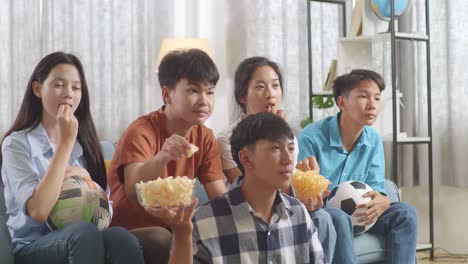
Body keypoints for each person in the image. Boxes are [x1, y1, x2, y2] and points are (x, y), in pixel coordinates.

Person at [0, 52, 144, 264]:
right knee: (84, 233)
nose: (68, 94)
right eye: (59, 85)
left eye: (76, 88)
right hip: (31, 247)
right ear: (37, 89)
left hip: (83, 236)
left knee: (120, 237)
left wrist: (83, 175)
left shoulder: (85, 145)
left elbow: (105, 213)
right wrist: (65, 143)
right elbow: (38, 211)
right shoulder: (16, 144)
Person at [107, 48, 227, 263]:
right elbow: (135, 191)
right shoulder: (141, 131)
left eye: (210, 92)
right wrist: (162, 156)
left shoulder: (205, 137)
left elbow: (219, 198)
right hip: (131, 231)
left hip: (178, 226)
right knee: (162, 238)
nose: (204, 101)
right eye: (193, 91)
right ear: (166, 94)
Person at [216, 56, 336, 263]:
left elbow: (288, 186)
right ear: (242, 96)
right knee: (322, 219)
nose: (270, 94)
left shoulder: (288, 135)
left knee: (333, 217)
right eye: (260, 87)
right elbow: (247, 185)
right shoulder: (228, 140)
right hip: (249, 211)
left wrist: (307, 187)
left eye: (275, 85)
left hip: (286, 207)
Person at [298, 69, 418, 264]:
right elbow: (302, 196)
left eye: (377, 98)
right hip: (324, 212)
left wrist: (383, 200)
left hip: (361, 212)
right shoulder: (310, 138)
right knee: (338, 217)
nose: (372, 105)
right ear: (342, 103)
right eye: (363, 96)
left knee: (405, 213)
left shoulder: (373, 140)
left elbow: (376, 187)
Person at [176, 112, 323, 263]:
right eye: (275, 148)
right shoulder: (204, 221)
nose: (288, 159)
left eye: (291, 149)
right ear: (246, 158)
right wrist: (181, 238)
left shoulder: (299, 213)